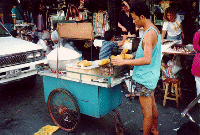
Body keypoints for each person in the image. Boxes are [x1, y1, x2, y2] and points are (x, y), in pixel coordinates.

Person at [112, 2, 160, 135]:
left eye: (134, 18)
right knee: (152, 104)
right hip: (151, 76)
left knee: (147, 114)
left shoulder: (149, 35)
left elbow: (147, 59)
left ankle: (148, 130)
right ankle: (154, 129)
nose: (133, 22)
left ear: (142, 16)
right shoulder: (154, 29)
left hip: (145, 78)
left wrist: (124, 61)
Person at [191, 30, 200, 106]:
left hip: (198, 60)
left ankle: (199, 101)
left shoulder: (197, 34)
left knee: (198, 83)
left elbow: (194, 47)